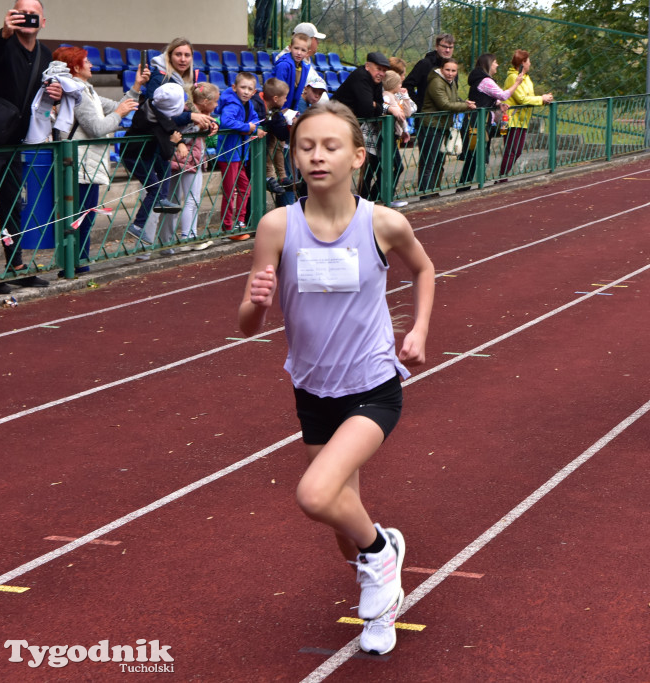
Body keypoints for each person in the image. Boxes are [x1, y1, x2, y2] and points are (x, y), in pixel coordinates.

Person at [237, 101, 434, 656]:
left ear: (358, 156)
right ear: (293, 156)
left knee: (315, 493)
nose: (317, 155)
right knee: (344, 539)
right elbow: (247, 326)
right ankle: (379, 574)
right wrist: (256, 303)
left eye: (330, 146)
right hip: (312, 389)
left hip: (372, 386)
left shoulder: (383, 222)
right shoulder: (277, 225)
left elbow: (424, 268)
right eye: (306, 146)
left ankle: (382, 557)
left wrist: (418, 329)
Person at [51, 45, 148, 274]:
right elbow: (97, 128)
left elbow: (117, 107)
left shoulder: (87, 90)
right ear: (76, 66)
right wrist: (120, 114)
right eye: (87, 61)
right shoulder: (79, 94)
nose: (92, 64)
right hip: (79, 164)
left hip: (86, 164)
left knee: (84, 215)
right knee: (80, 216)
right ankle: (76, 264)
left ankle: (77, 262)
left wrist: (136, 87)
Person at [0, 0, 61, 291]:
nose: (28, 18)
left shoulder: (45, 53)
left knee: (13, 205)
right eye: (22, 12)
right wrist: (2, 35)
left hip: (16, 140)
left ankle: (16, 266)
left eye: (34, 14)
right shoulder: (1, 43)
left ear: (43, 21)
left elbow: (42, 96)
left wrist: (55, 95)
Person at [120, 82, 187, 254]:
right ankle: (137, 225)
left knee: (163, 165)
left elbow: (169, 124)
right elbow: (166, 150)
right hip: (134, 156)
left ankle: (162, 200)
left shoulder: (151, 105)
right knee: (154, 188)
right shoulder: (151, 122)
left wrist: (179, 141)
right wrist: (174, 143)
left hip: (146, 152)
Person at [333, 51, 405, 202]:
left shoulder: (376, 82)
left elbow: (376, 105)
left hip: (350, 126)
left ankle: (360, 201)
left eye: (384, 71)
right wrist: (378, 106)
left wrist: (376, 106)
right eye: (378, 69)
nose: (381, 74)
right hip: (335, 123)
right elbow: (366, 109)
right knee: (339, 165)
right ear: (367, 66)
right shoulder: (361, 77)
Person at [164, 81, 219, 252]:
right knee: (191, 199)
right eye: (215, 101)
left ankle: (167, 243)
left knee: (174, 200)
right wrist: (197, 127)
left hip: (182, 159)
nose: (217, 105)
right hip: (186, 160)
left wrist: (211, 126)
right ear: (204, 102)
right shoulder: (188, 114)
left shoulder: (193, 113)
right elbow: (181, 136)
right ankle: (188, 238)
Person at [459, 53, 526, 187]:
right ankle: (468, 185)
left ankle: (469, 184)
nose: (497, 65)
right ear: (488, 64)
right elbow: (503, 94)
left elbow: (488, 97)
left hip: (479, 120)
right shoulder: (485, 81)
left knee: (476, 155)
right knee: (475, 155)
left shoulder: (482, 80)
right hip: (478, 121)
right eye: (495, 62)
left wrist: (497, 104)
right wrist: (517, 83)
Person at [216, 71, 268, 240]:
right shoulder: (232, 104)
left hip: (240, 154)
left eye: (249, 89)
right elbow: (226, 121)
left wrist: (257, 128)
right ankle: (228, 227)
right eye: (242, 87)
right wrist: (247, 128)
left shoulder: (248, 104)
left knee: (245, 187)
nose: (246, 91)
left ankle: (240, 221)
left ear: (254, 92)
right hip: (229, 153)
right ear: (234, 87)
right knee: (230, 191)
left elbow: (254, 119)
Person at [416, 57, 475, 196]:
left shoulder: (451, 82)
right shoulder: (436, 82)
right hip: (431, 125)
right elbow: (444, 104)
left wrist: (464, 102)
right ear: (441, 69)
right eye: (447, 70)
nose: (450, 73)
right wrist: (466, 107)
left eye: (453, 71)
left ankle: (432, 191)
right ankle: (425, 194)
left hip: (441, 125)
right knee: (429, 162)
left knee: (438, 160)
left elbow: (453, 100)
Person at [500, 50, 553, 180]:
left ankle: (502, 177)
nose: (530, 63)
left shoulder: (526, 78)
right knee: (512, 151)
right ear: (523, 63)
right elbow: (522, 99)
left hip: (522, 120)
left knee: (517, 151)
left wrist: (544, 99)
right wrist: (541, 99)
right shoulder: (513, 77)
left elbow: (528, 97)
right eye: (528, 61)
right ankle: (501, 178)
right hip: (511, 119)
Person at [382, 70, 413, 207]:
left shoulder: (396, 95)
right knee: (396, 166)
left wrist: (405, 97)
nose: (401, 84)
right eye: (399, 82)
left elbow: (407, 113)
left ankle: (386, 196)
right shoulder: (387, 96)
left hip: (393, 135)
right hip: (387, 136)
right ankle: (386, 197)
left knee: (394, 166)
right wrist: (406, 130)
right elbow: (400, 115)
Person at [403, 32, 454, 111]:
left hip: (446, 116)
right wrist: (419, 105)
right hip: (426, 117)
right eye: (444, 46)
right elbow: (407, 85)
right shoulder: (425, 64)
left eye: (450, 47)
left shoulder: (452, 68)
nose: (447, 50)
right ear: (437, 46)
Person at [260, 77, 290, 194]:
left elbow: (282, 135)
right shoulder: (256, 104)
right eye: (285, 97)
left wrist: (289, 125)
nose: (286, 100)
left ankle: (271, 179)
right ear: (276, 98)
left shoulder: (276, 111)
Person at [274, 32, 311, 112]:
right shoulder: (283, 65)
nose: (299, 53)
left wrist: (294, 112)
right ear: (290, 48)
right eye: (296, 48)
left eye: (303, 50)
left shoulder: (304, 68)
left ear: (307, 53)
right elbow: (279, 91)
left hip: (290, 109)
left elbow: (297, 93)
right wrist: (283, 111)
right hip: (278, 108)